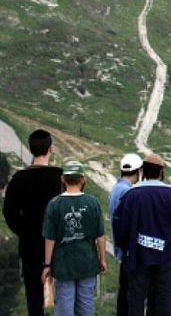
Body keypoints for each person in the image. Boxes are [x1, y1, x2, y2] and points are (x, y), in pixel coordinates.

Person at [113, 154, 171, 316]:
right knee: (163, 297)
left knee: (136, 298)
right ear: (161, 172)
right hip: (165, 255)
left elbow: (121, 227)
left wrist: (126, 248)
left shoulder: (131, 195)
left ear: (143, 171)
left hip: (138, 255)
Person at [2, 129, 63, 316]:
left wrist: (24, 231)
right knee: (63, 294)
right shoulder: (59, 177)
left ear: (30, 149)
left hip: (30, 244)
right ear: (50, 148)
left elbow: (9, 212)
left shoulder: (19, 178)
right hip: (59, 245)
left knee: (33, 294)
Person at [41, 160, 107, 316]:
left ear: (63, 179)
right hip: (88, 262)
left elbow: (50, 238)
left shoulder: (54, 204)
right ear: (83, 179)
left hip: (63, 265)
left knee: (64, 305)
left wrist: (47, 265)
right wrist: (102, 259)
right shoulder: (93, 202)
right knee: (86, 305)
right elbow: (100, 236)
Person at [109, 153, 144, 316]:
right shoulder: (127, 192)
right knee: (129, 294)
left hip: (121, 249)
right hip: (128, 250)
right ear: (138, 171)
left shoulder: (116, 188)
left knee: (124, 292)